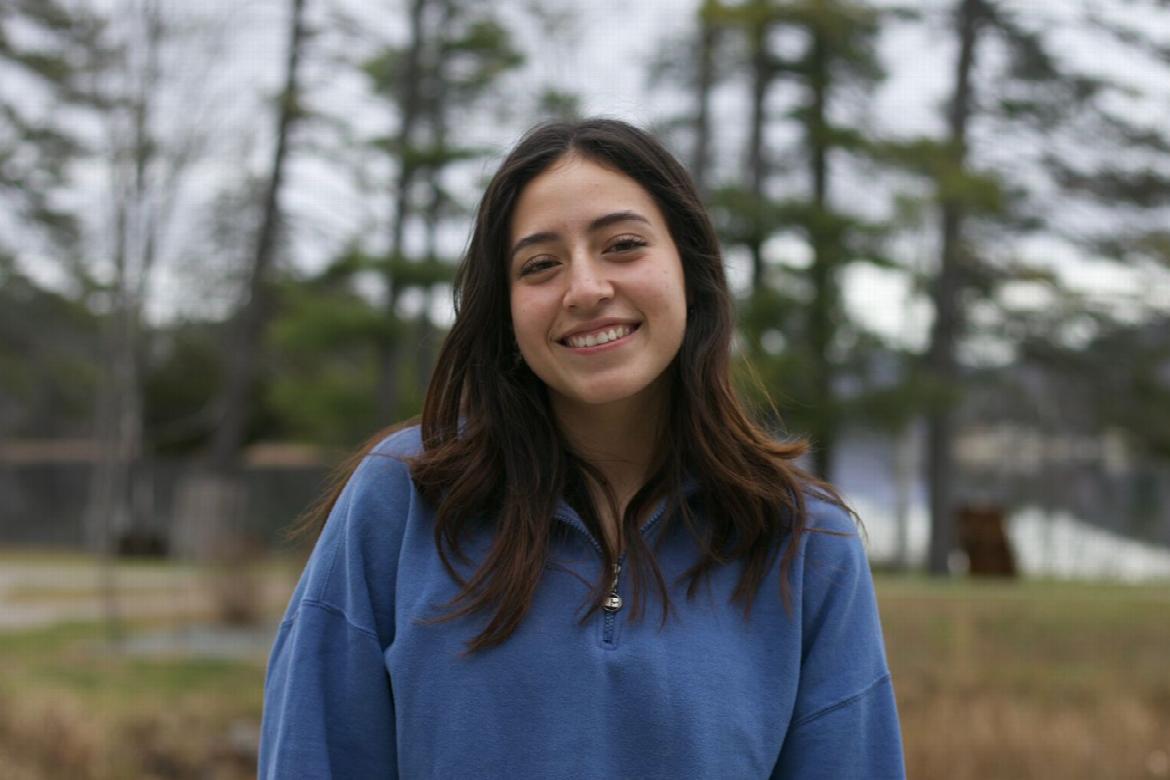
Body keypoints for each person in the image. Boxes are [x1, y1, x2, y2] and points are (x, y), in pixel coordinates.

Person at [258, 118, 905, 779]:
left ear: (691, 268)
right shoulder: (401, 502)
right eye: (540, 264)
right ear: (506, 308)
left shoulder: (805, 543)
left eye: (623, 245)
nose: (587, 289)